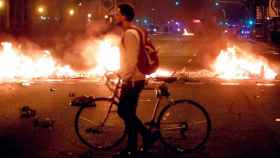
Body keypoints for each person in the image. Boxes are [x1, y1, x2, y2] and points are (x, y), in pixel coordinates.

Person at [113, 3, 158, 158]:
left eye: (117, 13)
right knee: (129, 113)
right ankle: (131, 147)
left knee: (123, 111)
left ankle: (147, 136)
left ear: (124, 16)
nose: (115, 15)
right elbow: (129, 60)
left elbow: (132, 61)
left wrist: (124, 77)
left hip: (133, 80)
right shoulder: (134, 31)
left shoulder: (130, 34)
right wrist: (119, 72)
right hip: (134, 78)